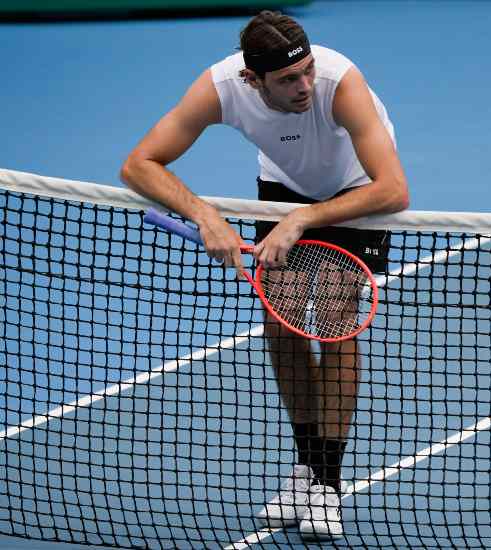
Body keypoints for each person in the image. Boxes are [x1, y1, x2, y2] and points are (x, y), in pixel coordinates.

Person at [120, 10, 409, 540]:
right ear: (253, 79)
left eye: (307, 72)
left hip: (357, 188)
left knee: (337, 316)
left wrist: (300, 220)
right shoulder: (222, 87)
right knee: (281, 318)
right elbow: (139, 164)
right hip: (285, 185)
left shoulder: (339, 83)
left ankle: (327, 482)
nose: (304, 86)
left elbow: (394, 190)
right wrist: (206, 216)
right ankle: (305, 464)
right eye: (287, 80)